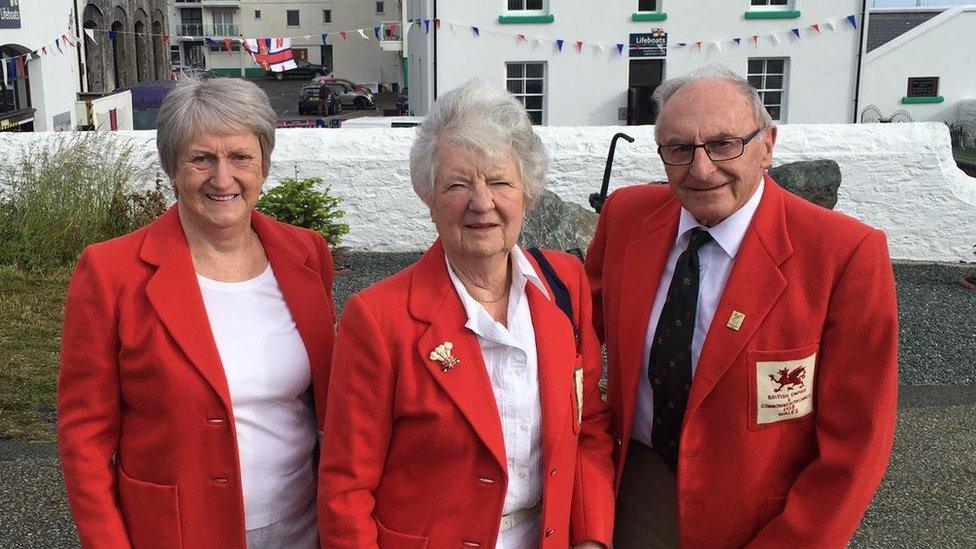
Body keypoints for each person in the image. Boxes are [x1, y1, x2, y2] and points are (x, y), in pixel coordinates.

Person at [585, 66, 898, 548]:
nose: (701, 168)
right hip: (640, 487)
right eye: (679, 149)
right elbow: (575, 335)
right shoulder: (626, 217)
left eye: (724, 143)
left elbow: (858, 443)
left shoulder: (844, 253)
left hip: (764, 513)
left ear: (767, 145)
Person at [318, 79, 615, 548]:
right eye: (457, 184)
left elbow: (590, 428)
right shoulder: (378, 317)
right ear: (428, 197)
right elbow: (345, 487)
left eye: (499, 181)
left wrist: (592, 537)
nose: (482, 203)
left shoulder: (564, 284)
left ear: (527, 193)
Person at [57, 78, 337, 549]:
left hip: (303, 526)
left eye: (240, 157)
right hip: (178, 531)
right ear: (171, 166)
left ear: (263, 164)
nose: (222, 178)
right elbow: (84, 437)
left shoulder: (306, 253)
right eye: (201, 158)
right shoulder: (110, 272)